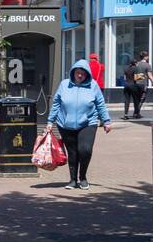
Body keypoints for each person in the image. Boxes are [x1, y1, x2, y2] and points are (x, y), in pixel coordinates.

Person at [47, 58, 112, 190]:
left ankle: (82, 177)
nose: (80, 75)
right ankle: (72, 180)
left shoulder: (93, 85)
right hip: (65, 124)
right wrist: (50, 121)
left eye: (83, 73)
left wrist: (106, 121)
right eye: (78, 72)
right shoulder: (64, 84)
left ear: (87, 73)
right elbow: (56, 104)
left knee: (85, 150)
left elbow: (100, 104)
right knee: (73, 153)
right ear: (73, 72)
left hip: (88, 123)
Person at [122, 52, 153, 119]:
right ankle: (136, 113)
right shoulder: (138, 68)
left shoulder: (126, 69)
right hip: (134, 85)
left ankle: (126, 114)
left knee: (127, 100)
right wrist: (143, 78)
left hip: (126, 85)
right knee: (136, 100)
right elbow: (136, 77)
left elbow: (124, 78)